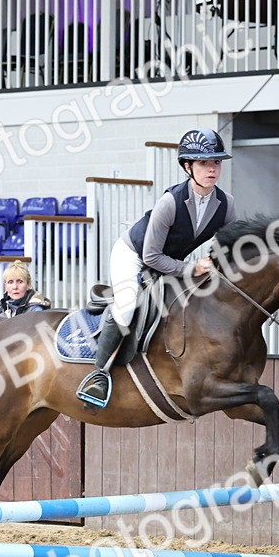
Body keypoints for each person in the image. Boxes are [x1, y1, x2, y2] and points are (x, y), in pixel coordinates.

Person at [77, 127, 236, 407]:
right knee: (126, 305)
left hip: (169, 260)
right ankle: (98, 375)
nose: (212, 169)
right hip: (134, 254)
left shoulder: (226, 204)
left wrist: (215, 261)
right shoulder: (170, 202)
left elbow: (227, 245)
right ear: (188, 166)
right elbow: (151, 257)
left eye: (216, 162)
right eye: (204, 163)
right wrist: (189, 269)